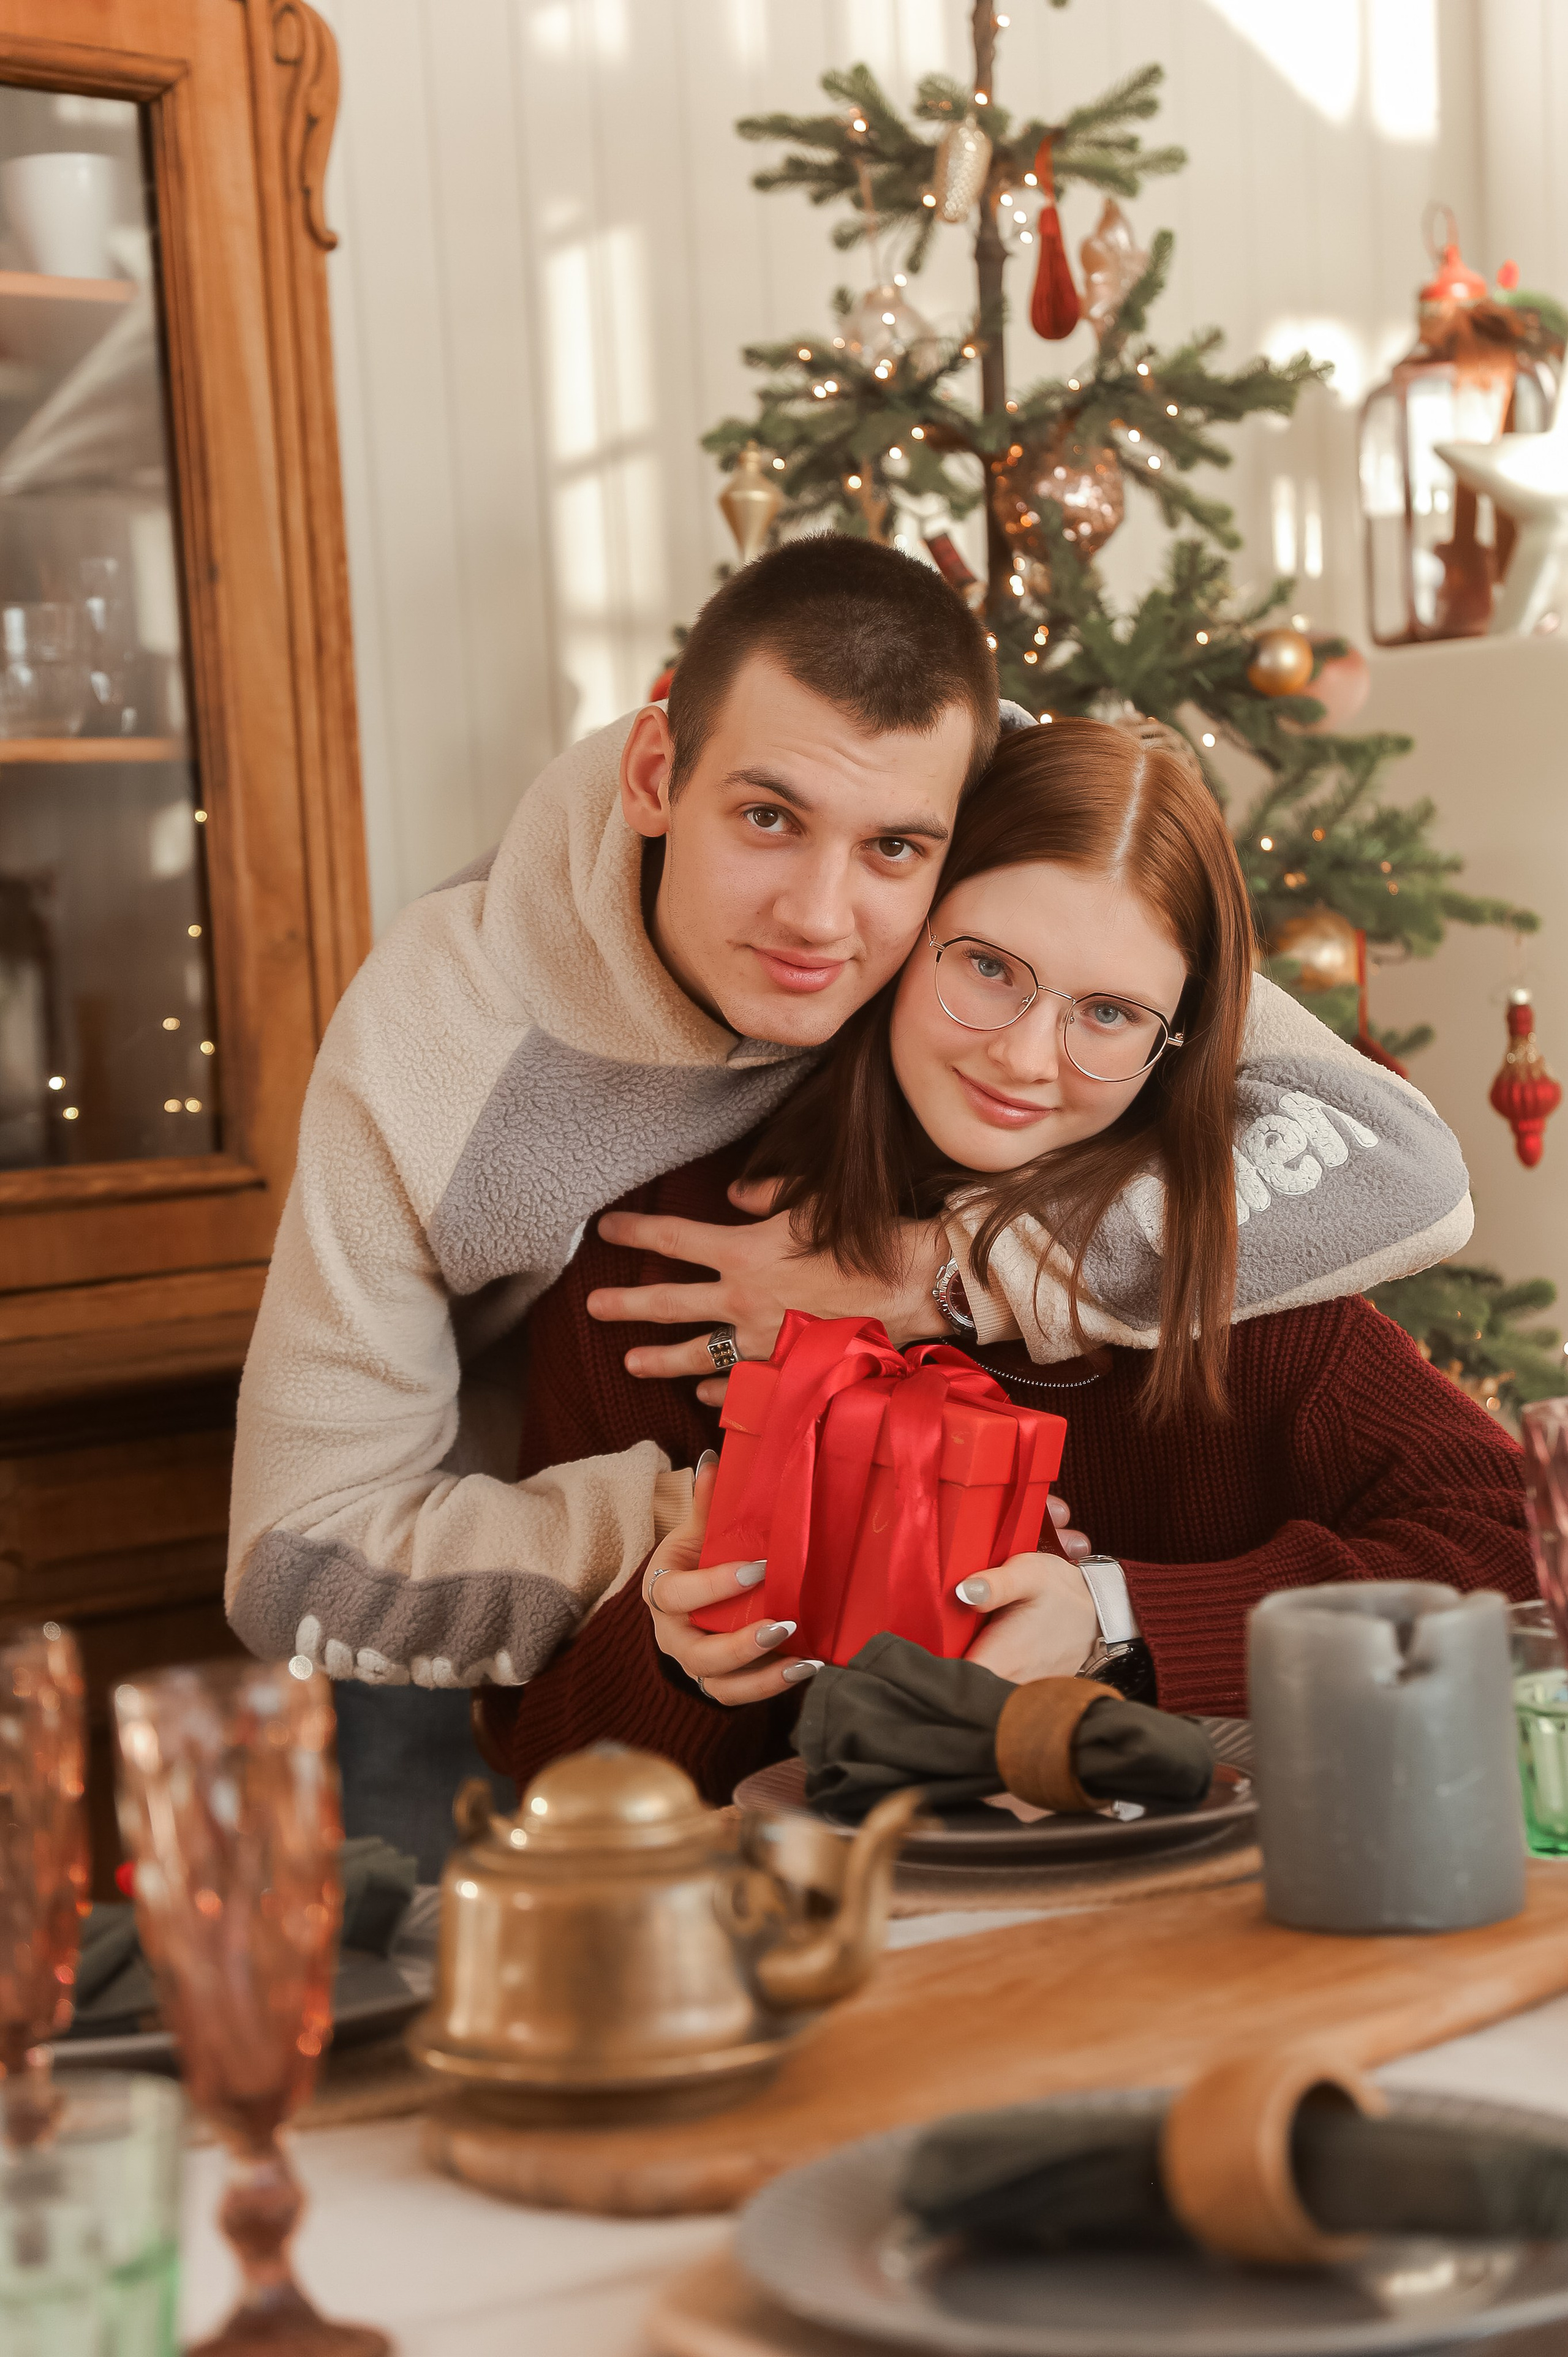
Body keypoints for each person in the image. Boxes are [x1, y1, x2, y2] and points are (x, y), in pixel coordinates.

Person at [227, 540, 1471, 1831]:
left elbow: (1392, 1154)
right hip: (472, 1562)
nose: (821, 919)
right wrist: (696, 1525)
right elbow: (312, 1563)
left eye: (892, 848)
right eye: (767, 819)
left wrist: (946, 1282)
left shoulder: (1041, 866)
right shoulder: (522, 1132)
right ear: (655, 777)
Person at [481, 717, 1529, 1800]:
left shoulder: (1221, 1265)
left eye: (1110, 1013)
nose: (1027, 1058)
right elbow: (541, 1763)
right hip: (806, 1896)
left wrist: (1120, 1616)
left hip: (1187, 1890)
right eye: (988, 967)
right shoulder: (667, 1264)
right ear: (905, 935)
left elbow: (1523, 1552)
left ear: (1173, 1047)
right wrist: (674, 1661)